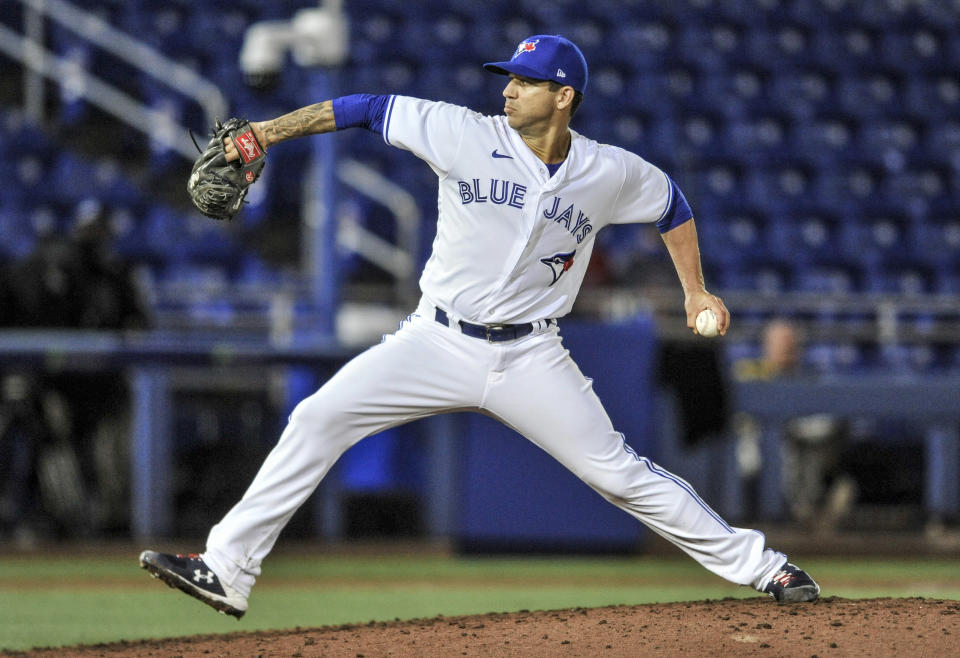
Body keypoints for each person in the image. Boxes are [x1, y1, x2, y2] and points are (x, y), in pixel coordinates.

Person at [139, 35, 819, 618]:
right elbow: (361, 109)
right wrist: (264, 134)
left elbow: (670, 203)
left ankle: (767, 568)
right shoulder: (462, 131)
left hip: (530, 356)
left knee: (619, 475)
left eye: (526, 81)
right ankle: (227, 569)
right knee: (319, 417)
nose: (510, 90)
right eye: (510, 79)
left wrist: (695, 289)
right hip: (433, 340)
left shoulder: (606, 171)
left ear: (564, 97)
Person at [735, 319, 854, 530]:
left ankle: (806, 516)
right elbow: (739, 420)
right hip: (755, 447)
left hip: (798, 449)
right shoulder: (749, 372)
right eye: (781, 344)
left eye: (791, 344)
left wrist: (793, 428)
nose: (787, 349)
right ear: (766, 346)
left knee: (804, 454)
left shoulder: (809, 376)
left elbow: (826, 422)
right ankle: (757, 518)